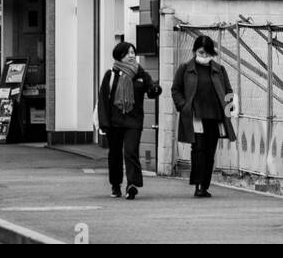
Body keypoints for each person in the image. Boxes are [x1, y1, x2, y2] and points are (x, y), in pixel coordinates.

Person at [171, 35, 237, 198]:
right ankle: (198, 185)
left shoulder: (219, 70)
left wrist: (228, 113)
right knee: (198, 150)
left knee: (209, 152)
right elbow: (176, 89)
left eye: (207, 52)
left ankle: (205, 185)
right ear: (194, 51)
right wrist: (183, 106)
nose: (204, 55)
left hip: (215, 117)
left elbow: (228, 91)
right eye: (201, 52)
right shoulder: (185, 68)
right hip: (195, 116)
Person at [97, 41, 161, 199]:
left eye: (133, 53)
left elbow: (151, 89)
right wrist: (104, 123)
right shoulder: (111, 75)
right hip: (114, 122)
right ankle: (115, 184)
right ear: (120, 56)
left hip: (134, 121)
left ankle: (132, 184)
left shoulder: (140, 74)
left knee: (131, 151)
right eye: (128, 53)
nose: (132, 55)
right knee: (115, 154)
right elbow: (103, 100)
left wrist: (155, 89)